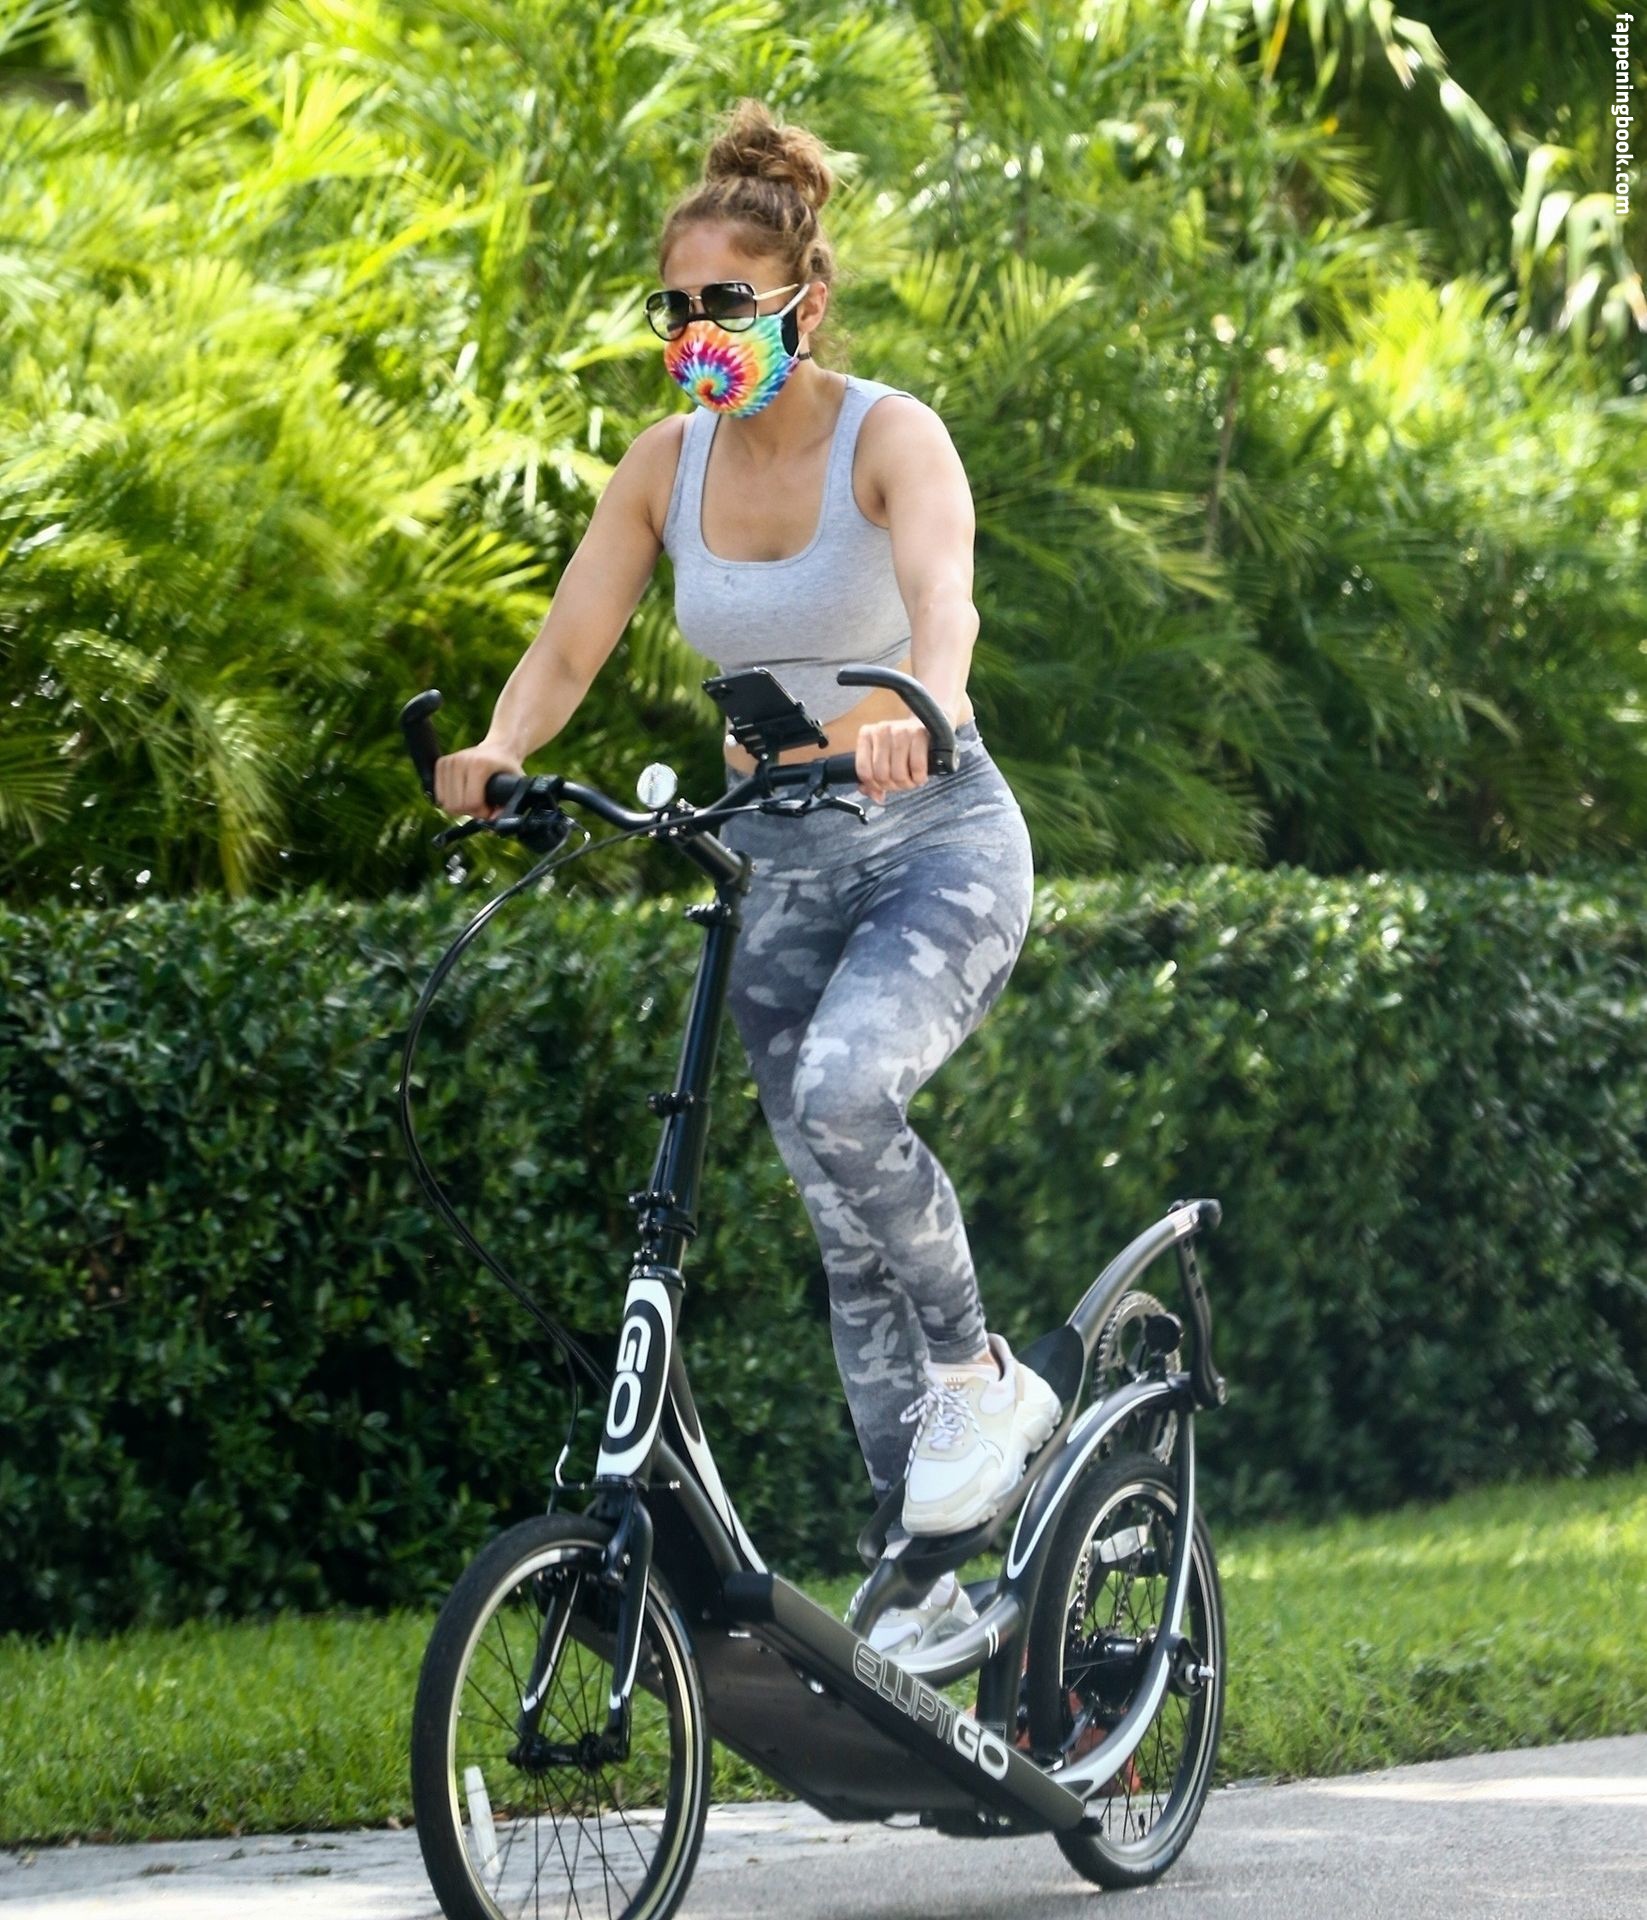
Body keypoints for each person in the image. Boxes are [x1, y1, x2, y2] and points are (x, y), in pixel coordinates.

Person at [433, 98, 1059, 1657]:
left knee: (847, 1092)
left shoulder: (890, 437)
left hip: (934, 840)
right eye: (676, 307)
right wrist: (500, 746)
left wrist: (921, 703)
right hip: (770, 857)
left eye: (728, 301)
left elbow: (947, 604)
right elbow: (569, 644)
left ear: (804, 302)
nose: (698, 331)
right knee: (838, 1220)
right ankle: (927, 1574)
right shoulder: (666, 465)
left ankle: (983, 1378)